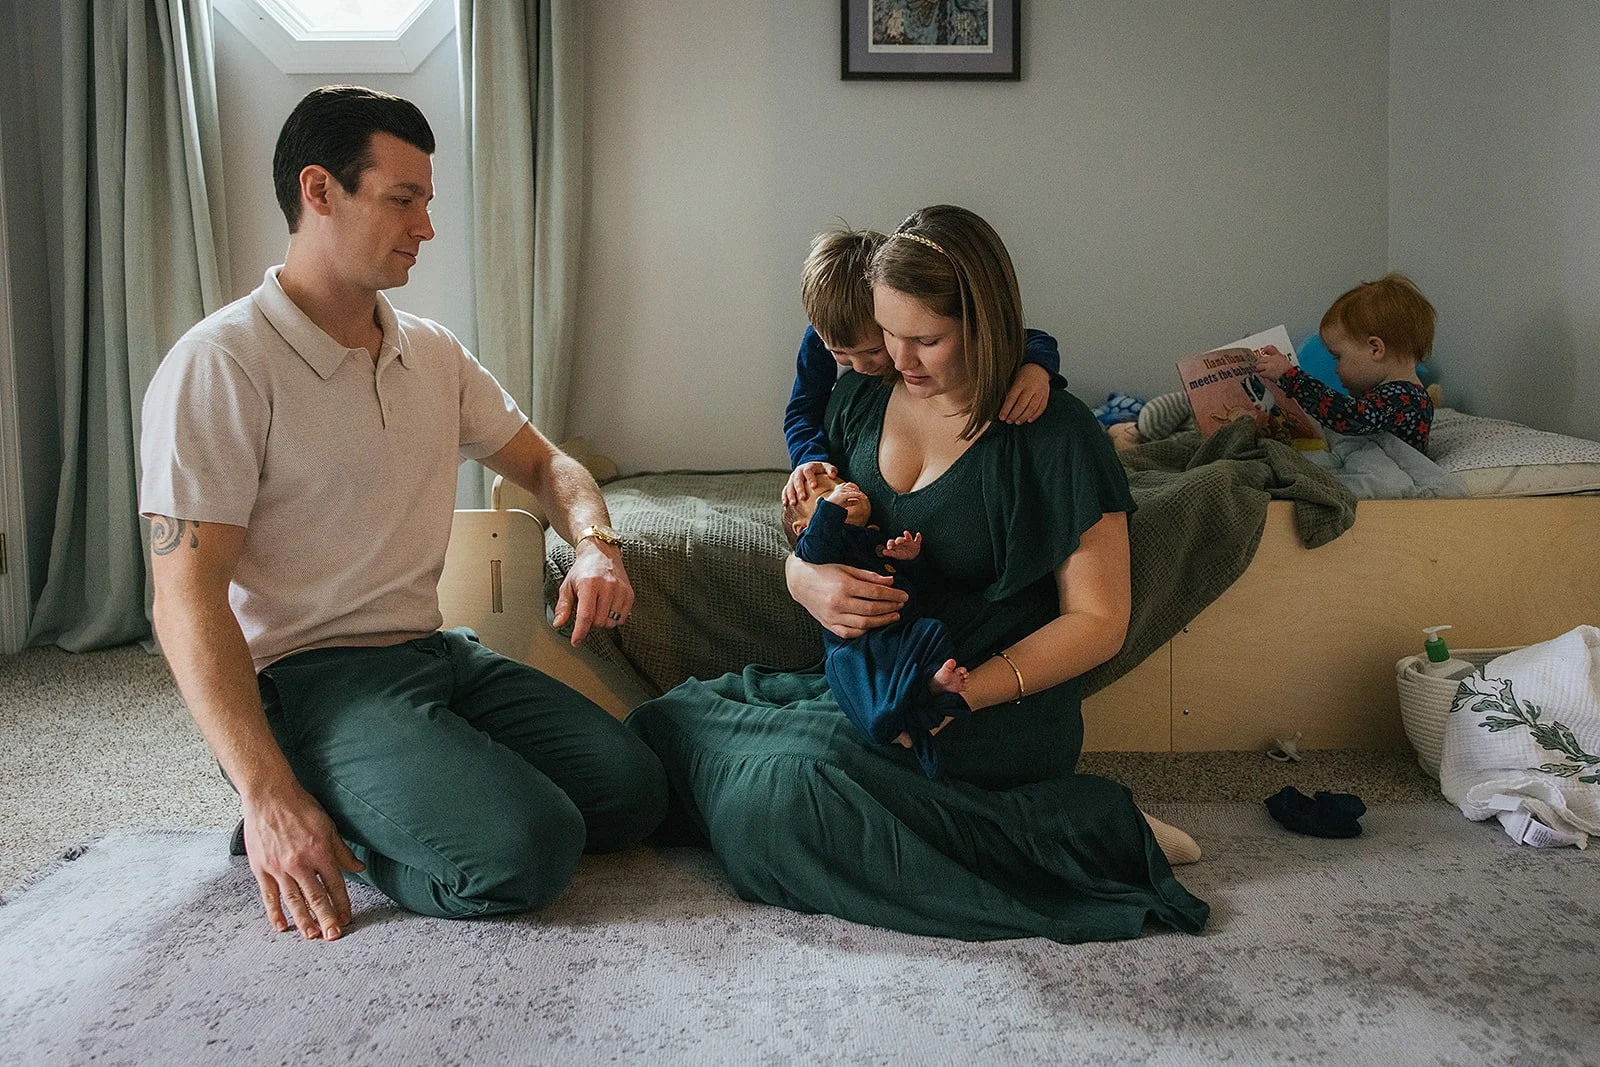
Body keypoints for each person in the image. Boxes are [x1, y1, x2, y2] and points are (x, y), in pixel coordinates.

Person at [139, 86, 666, 942]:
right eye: (402, 199)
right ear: (319, 191)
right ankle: (319, 807)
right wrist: (268, 793)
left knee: (633, 792)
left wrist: (597, 544)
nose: (425, 226)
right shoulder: (220, 365)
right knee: (526, 851)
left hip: (431, 652)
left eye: (426, 201)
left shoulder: (430, 351)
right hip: (306, 683)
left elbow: (548, 462)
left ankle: (396, 783)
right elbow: (183, 600)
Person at [629, 205, 1208, 942]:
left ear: (982, 321)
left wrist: (961, 698)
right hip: (878, 679)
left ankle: (1085, 829)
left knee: (780, 797)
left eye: (925, 340)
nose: (897, 359)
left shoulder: (1055, 435)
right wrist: (799, 579)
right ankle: (986, 822)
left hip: (989, 703)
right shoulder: (867, 391)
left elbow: (1099, 621)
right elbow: (815, 521)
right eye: (886, 336)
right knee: (667, 725)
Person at [781, 227, 1066, 508]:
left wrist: (1036, 368)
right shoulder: (820, 340)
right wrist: (809, 459)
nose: (859, 366)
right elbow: (803, 409)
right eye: (840, 353)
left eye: (874, 351)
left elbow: (1029, 338)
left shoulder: (898, 317)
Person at [783, 473, 969, 776]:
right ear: (803, 528)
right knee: (868, 692)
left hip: (904, 631)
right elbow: (810, 550)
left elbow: (921, 588)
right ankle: (887, 722)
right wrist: (832, 509)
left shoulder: (878, 541)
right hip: (858, 645)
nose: (843, 489)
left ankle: (932, 688)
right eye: (824, 497)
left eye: (842, 483)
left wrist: (911, 560)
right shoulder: (825, 548)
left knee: (934, 631)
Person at [1252, 272, 1437, 452]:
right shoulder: (1394, 394)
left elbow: (1351, 417)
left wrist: (1291, 377)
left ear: (1375, 349)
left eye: (1338, 357)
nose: (1336, 369)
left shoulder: (1405, 398)